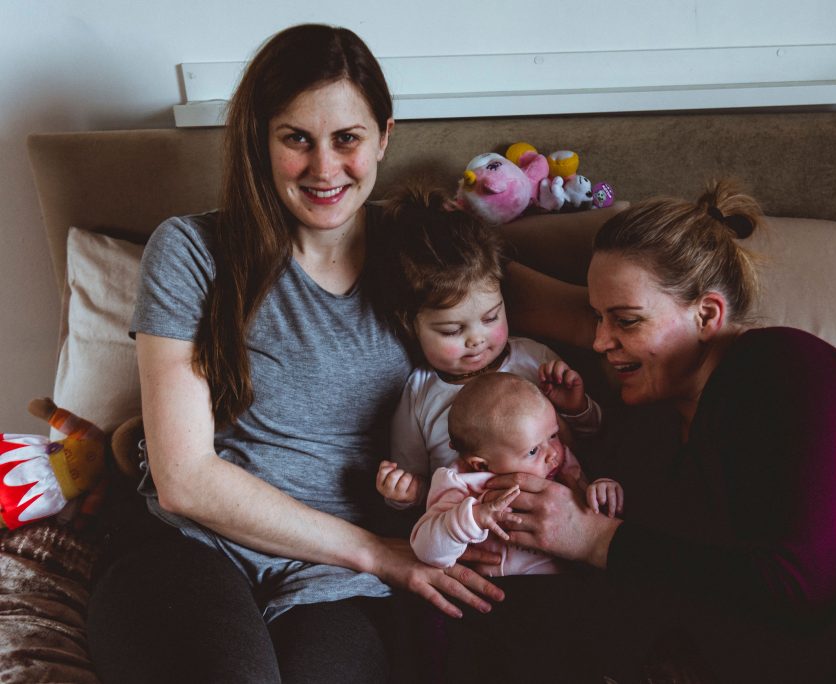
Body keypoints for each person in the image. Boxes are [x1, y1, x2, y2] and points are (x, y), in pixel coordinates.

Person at [85, 24, 503, 684]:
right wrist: (378, 553)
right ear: (260, 140)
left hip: (330, 587)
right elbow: (185, 479)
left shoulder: (430, 255)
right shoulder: (193, 251)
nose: (324, 168)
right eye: (296, 140)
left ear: (384, 137)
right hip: (189, 550)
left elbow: (583, 304)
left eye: (347, 139)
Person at [483, 182, 836, 683]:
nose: (600, 340)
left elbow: (799, 585)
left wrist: (595, 540)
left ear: (707, 315)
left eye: (624, 320)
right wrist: (436, 231)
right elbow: (503, 298)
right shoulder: (654, 415)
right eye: (596, 318)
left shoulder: (782, 367)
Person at [374, 187, 603, 510]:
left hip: (560, 516)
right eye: (453, 330)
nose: (477, 339)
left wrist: (576, 407)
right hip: (475, 539)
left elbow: (590, 436)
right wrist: (405, 493)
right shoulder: (419, 395)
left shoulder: (534, 359)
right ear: (411, 326)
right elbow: (420, 486)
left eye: (491, 317)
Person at [410, 372, 622, 576]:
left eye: (553, 435)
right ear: (481, 466)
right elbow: (425, 550)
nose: (552, 453)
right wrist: (471, 520)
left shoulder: (561, 462)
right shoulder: (462, 484)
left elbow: (583, 497)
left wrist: (600, 489)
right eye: (532, 451)